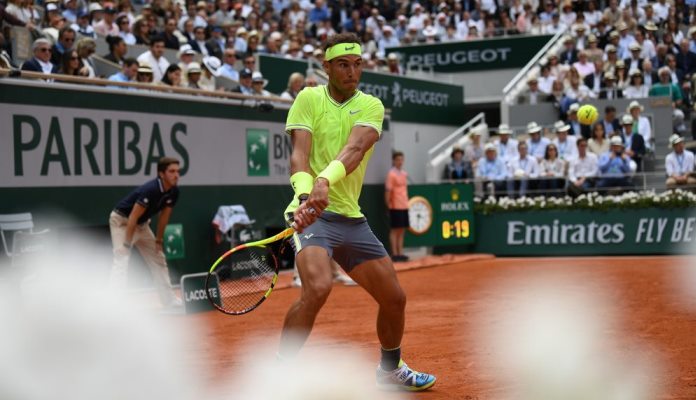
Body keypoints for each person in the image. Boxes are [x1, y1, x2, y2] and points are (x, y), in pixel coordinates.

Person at [279, 33, 436, 391]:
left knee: (394, 298)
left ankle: (389, 369)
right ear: (327, 68)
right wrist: (306, 197)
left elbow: (355, 149)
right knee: (317, 287)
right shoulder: (308, 98)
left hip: (350, 217)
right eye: (343, 65)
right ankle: (279, 371)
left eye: (357, 64)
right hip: (313, 215)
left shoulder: (371, 105)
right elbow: (298, 156)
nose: (352, 72)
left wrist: (324, 182)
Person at [108, 157, 182, 308]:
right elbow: (133, 217)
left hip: (142, 226)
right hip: (122, 223)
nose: (176, 175)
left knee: (159, 259)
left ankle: (169, 300)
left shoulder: (174, 191)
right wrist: (127, 244)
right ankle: (114, 305)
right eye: (172, 171)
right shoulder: (151, 189)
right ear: (161, 174)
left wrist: (159, 241)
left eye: (178, 171)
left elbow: (164, 216)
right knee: (121, 258)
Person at [385, 151, 410, 262]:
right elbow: (387, 191)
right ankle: (394, 254)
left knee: (402, 230)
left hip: (404, 205)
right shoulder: (391, 174)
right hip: (395, 206)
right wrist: (388, 205)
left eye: (401, 159)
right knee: (395, 230)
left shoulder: (404, 174)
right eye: (398, 160)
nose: (400, 162)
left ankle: (400, 253)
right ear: (394, 161)